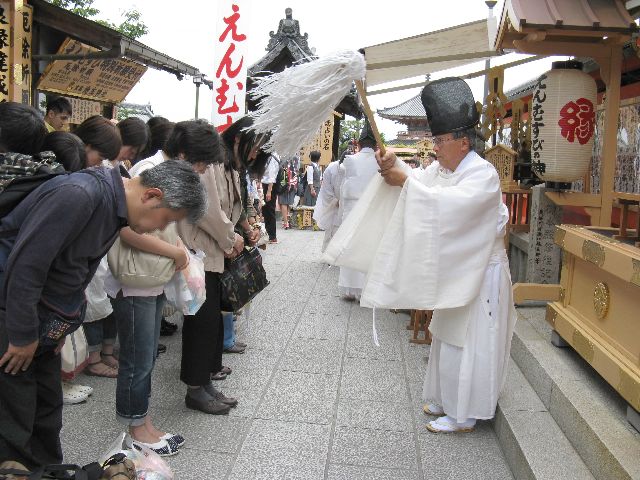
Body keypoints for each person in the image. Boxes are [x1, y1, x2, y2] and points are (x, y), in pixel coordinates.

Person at [0, 159, 207, 469]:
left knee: (46, 412)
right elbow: (26, 266)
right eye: (165, 219)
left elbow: (75, 273)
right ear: (151, 196)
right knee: (15, 418)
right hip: (14, 318)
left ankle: (48, 472)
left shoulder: (112, 207)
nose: (161, 229)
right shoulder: (79, 195)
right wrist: (22, 334)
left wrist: (61, 329)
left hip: (43, 321)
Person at [344, 77, 516, 433]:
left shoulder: (481, 176)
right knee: (448, 333)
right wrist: (394, 165)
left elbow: (447, 206)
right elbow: (420, 183)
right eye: (435, 140)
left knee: (469, 340)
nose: (434, 147)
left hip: (481, 273)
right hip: (460, 269)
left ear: (463, 142)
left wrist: (406, 182)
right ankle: (447, 398)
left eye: (440, 140)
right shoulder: (445, 170)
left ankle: (465, 412)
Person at [106, 120, 221, 456]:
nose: (200, 170)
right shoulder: (148, 171)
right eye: (200, 162)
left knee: (144, 357)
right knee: (137, 358)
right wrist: (175, 252)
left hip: (150, 279)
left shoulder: (162, 171)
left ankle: (142, 421)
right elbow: (125, 229)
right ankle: (137, 427)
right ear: (184, 153)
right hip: (135, 281)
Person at [338, 120, 379, 300]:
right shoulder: (380, 162)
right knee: (369, 247)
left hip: (352, 210)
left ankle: (349, 290)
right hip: (372, 209)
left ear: (359, 144)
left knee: (349, 247)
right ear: (376, 145)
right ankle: (365, 290)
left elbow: (342, 174)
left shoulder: (350, 160)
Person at [312, 157, 345, 252]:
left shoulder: (354, 167)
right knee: (331, 227)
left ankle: (338, 253)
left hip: (346, 202)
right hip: (333, 202)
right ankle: (328, 253)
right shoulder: (331, 168)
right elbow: (326, 189)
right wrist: (336, 201)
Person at [261, 151, 280, 243]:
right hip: (266, 185)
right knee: (266, 210)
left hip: (270, 186)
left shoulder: (273, 156)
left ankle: (272, 236)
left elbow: (272, 175)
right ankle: (269, 234)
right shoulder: (271, 155)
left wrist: (269, 191)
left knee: (269, 210)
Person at [277, 156, 298, 229]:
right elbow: (296, 170)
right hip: (292, 183)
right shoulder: (295, 158)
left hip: (283, 182)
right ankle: (288, 221)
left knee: (283, 203)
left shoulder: (282, 157)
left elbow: (279, 169)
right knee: (288, 203)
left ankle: (286, 223)